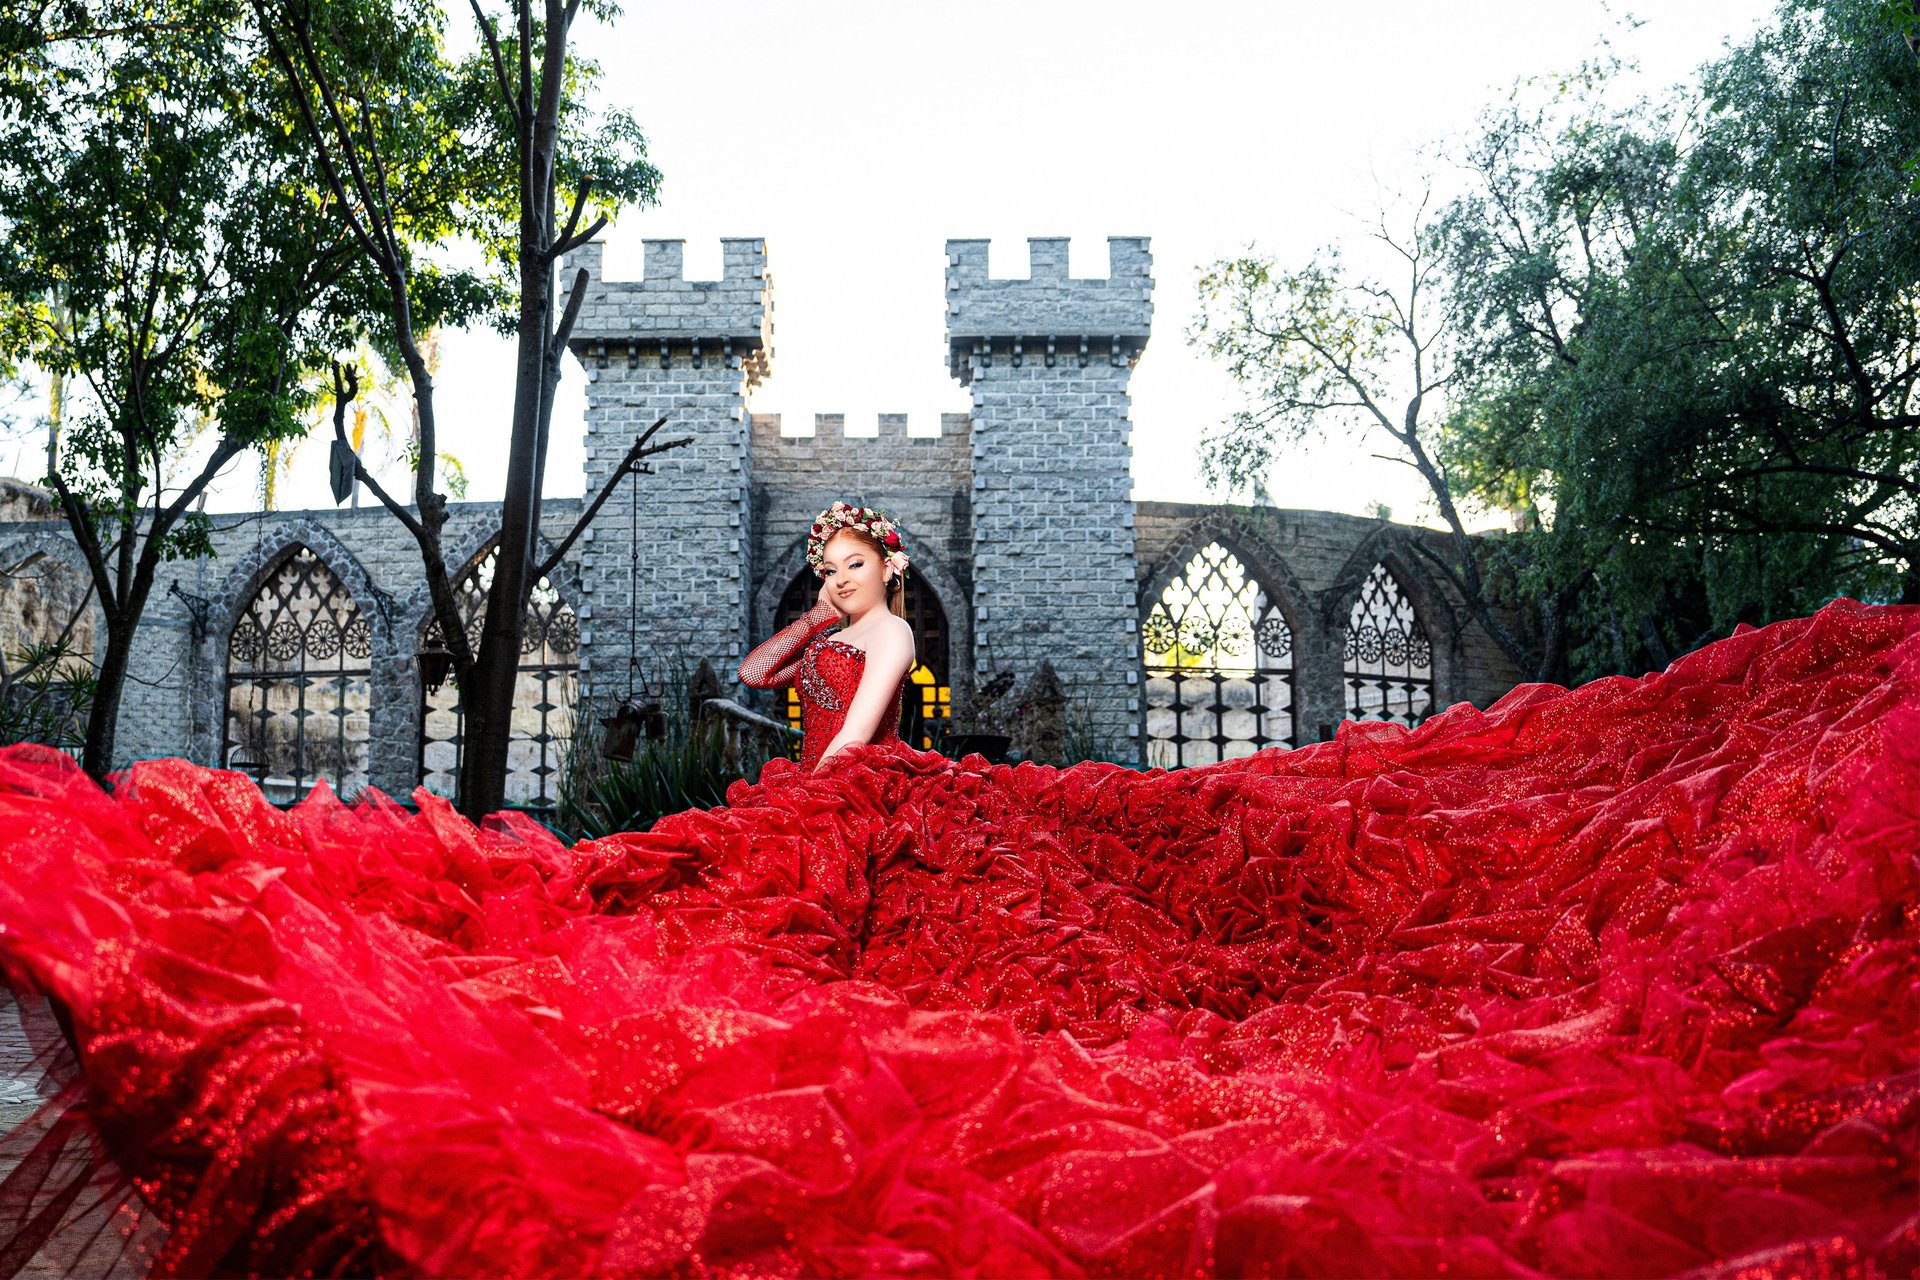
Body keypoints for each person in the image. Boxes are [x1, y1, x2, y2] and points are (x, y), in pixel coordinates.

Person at [0, 587, 1915, 1276]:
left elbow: (841, 731)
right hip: (817, 799)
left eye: (846, 558)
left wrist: (829, 687)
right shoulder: (840, 616)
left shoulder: (896, 637)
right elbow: (762, 675)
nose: (830, 571)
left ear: (887, 571)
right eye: (826, 557)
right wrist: (782, 637)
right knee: (596, 927)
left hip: (867, 811)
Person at [737, 501, 918, 772]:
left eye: (855, 564)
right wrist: (817, 617)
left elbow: (856, 734)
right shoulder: (830, 639)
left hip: (857, 778)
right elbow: (754, 673)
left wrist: (813, 791)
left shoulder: (892, 630)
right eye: (831, 571)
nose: (840, 579)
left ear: (886, 568)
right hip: (816, 772)